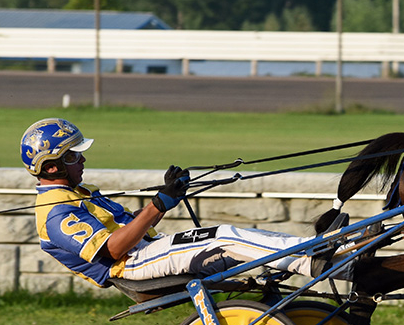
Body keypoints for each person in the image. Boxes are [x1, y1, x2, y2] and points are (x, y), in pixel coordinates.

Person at [21, 117, 341, 291]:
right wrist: (158, 205)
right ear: (52, 166)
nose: (83, 158)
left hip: (146, 251)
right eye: (74, 155)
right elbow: (115, 249)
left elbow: (133, 226)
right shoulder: (56, 213)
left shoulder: (80, 193)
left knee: (231, 232)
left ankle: (317, 248)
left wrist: (166, 196)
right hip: (131, 266)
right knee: (226, 240)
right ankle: (308, 261)